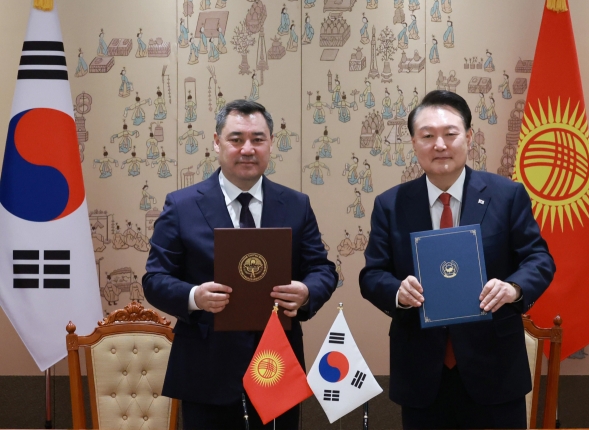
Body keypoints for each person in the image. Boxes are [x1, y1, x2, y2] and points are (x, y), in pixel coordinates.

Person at [359, 90, 555, 429]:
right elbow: (372, 274)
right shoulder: (391, 205)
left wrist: (513, 288)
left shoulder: (506, 196)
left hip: (495, 371)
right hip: (422, 374)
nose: (440, 144)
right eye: (427, 135)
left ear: (468, 137)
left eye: (450, 133)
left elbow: (539, 258)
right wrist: (396, 292)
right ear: (413, 142)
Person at [143, 100, 337, 430]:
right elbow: (155, 279)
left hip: (276, 367)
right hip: (206, 372)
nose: (247, 149)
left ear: (271, 143)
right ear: (217, 142)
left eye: (258, 139)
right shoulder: (182, 205)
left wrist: (306, 292)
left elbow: (322, 269)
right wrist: (194, 296)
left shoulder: (295, 204)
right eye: (236, 139)